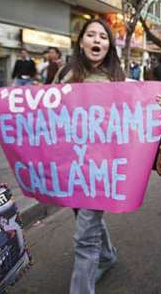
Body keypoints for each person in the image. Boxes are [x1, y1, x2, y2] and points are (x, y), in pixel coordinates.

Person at [53, 19, 125, 294]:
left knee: (85, 236)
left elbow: (134, 116)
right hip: (71, 163)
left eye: (103, 36)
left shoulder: (117, 78)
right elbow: (42, 107)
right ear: (81, 42)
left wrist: (153, 106)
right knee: (86, 217)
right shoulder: (66, 74)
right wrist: (0, 99)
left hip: (100, 167)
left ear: (109, 45)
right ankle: (107, 256)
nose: (97, 40)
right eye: (91, 35)